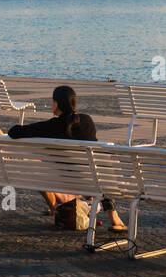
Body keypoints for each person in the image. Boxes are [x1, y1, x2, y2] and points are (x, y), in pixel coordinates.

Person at [8, 86, 127, 231]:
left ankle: (56, 208)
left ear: (56, 104)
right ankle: (114, 217)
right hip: (94, 180)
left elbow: (14, 131)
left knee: (33, 165)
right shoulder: (87, 121)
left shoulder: (52, 125)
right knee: (98, 169)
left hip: (65, 180)